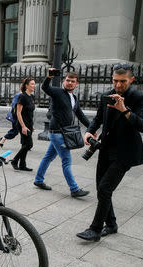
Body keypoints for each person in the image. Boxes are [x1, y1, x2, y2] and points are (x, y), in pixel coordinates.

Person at [76, 65, 143, 241]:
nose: (118, 85)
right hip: (106, 148)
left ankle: (95, 229)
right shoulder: (106, 96)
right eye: (115, 80)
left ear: (131, 80)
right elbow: (99, 118)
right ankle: (111, 224)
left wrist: (124, 109)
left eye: (122, 81)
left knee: (105, 188)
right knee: (102, 188)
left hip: (126, 152)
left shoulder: (138, 97)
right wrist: (89, 131)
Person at [34, 70, 90, 198]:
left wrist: (91, 128)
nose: (70, 83)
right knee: (66, 161)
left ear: (76, 84)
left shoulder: (74, 97)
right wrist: (49, 76)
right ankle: (74, 189)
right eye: (68, 80)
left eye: (73, 81)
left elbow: (80, 114)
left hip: (63, 133)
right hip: (58, 133)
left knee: (48, 157)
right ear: (64, 81)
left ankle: (38, 180)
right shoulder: (58, 92)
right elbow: (45, 87)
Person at [10, 78, 36, 171]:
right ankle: (14, 160)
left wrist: (31, 126)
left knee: (25, 144)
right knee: (29, 145)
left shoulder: (32, 97)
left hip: (29, 124)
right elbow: (18, 113)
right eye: (32, 84)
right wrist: (23, 126)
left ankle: (22, 165)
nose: (34, 86)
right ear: (26, 85)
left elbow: (30, 113)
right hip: (22, 124)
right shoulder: (22, 96)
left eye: (34, 84)